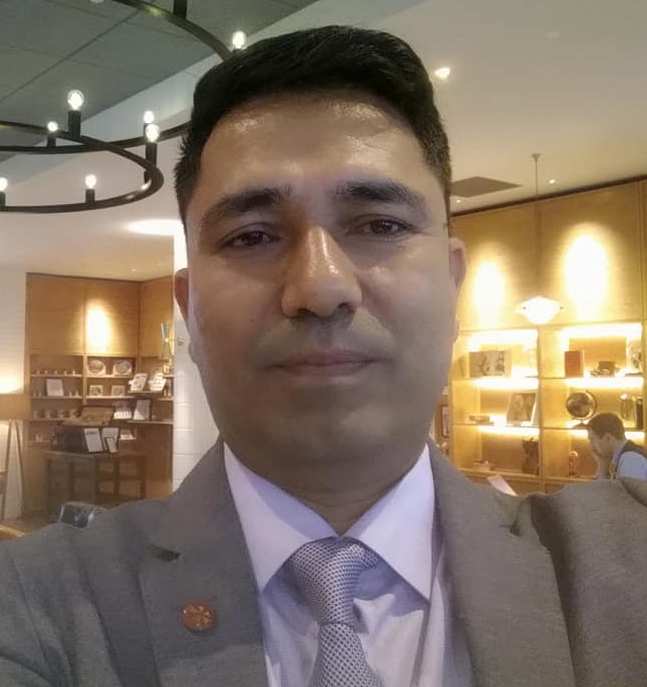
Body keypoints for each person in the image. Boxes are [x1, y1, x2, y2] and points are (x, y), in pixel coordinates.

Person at [1, 26, 647, 687]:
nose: (320, 287)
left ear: (453, 286)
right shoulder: (38, 603)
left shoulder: (618, 567)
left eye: (380, 225)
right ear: (188, 308)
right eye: (252, 236)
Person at [587, 412, 647, 480]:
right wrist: (602, 466)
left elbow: (623, 487)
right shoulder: (625, 457)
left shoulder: (630, 460)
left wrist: (602, 469)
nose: (591, 446)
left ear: (608, 438)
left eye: (592, 439)